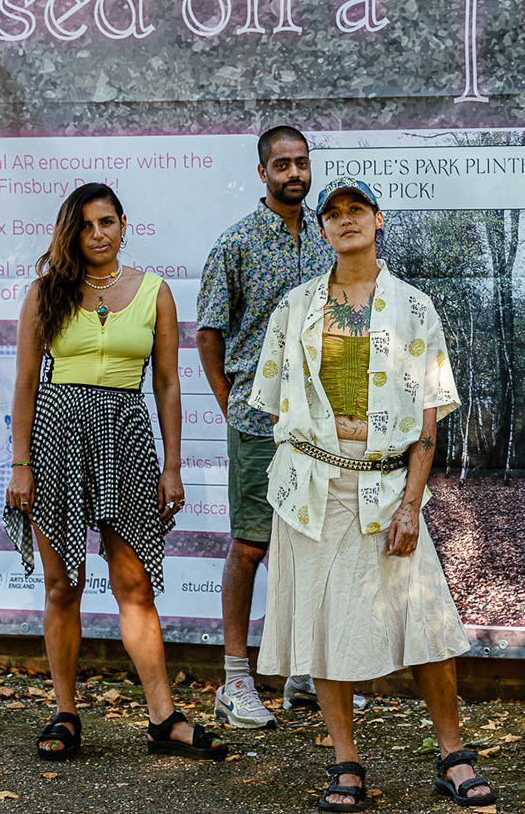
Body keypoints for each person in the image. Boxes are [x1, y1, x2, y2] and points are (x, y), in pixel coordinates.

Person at [249, 177, 496, 811]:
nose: (345, 220)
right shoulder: (294, 309)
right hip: (314, 489)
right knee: (324, 625)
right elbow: (274, 403)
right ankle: (345, 762)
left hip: (389, 486)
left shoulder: (414, 306)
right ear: (322, 229)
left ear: (378, 219)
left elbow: (429, 420)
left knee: (426, 623)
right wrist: (323, 447)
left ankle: (453, 756)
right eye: (333, 213)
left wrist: (411, 502)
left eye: (356, 209)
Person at [4, 183, 227, 761]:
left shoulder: (154, 291)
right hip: (55, 440)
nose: (97, 234)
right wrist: (21, 464)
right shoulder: (45, 293)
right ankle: (65, 713)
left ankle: (164, 720)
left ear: (124, 225)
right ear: (71, 233)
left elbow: (168, 384)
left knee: (134, 585)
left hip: (125, 440)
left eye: (106, 222)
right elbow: (24, 384)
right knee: (63, 585)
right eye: (85, 225)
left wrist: (172, 466)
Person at [197, 126, 365, 726]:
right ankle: (235, 681)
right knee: (251, 545)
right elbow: (209, 333)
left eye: (302, 163)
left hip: (322, 427)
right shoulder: (236, 243)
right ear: (263, 172)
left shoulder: (329, 239)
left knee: (313, 544)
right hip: (257, 423)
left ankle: (303, 675)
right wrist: (232, 404)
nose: (295, 173)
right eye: (282, 165)